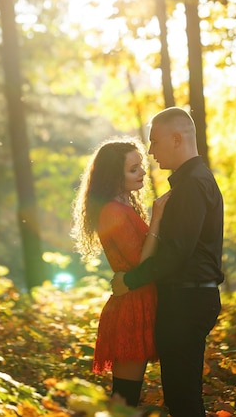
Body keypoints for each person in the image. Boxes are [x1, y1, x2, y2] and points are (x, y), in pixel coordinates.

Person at [111, 107, 224, 417]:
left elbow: (176, 253)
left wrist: (129, 281)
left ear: (177, 139)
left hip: (188, 300)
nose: (151, 151)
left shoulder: (192, 186)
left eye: (155, 142)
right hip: (188, 297)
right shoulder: (191, 182)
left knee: (184, 400)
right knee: (180, 397)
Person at [71, 137, 171, 407]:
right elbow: (142, 263)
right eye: (133, 169)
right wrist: (159, 218)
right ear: (115, 176)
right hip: (131, 307)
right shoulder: (113, 211)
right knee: (124, 398)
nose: (142, 172)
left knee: (128, 397)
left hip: (141, 299)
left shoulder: (125, 205)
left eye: (141, 166)